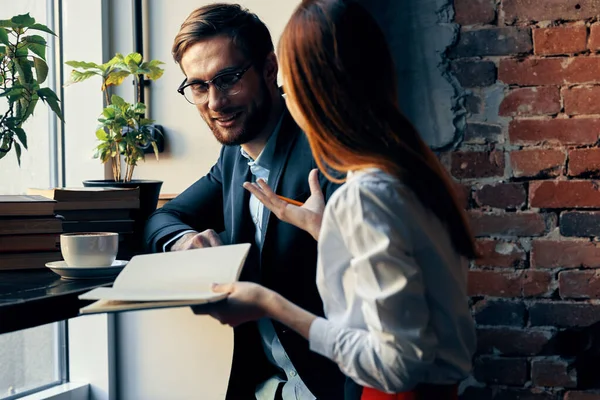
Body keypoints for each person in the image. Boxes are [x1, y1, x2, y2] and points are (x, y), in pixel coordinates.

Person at [200, 0, 478, 399]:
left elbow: (396, 369)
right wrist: (323, 227)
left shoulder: (366, 195)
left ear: (307, 91)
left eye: (287, 81)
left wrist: (268, 303)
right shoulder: (411, 171)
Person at [143, 3, 346, 399]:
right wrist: (183, 241)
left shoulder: (326, 149)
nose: (215, 102)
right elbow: (164, 218)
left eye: (229, 78)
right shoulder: (234, 158)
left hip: (332, 386)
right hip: (266, 385)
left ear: (269, 69)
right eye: (198, 86)